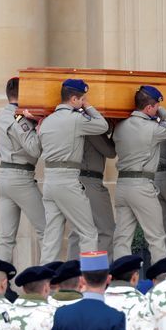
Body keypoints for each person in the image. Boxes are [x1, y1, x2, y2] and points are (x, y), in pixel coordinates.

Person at [38, 79, 109, 262]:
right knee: (88, 233)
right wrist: (88, 107)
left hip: (50, 181)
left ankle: (44, 284)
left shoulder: (47, 122)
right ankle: (89, 281)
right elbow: (102, 125)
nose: (84, 101)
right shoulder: (76, 119)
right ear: (75, 99)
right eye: (82, 98)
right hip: (67, 180)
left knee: (51, 237)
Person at [112, 85, 166, 262]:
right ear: (149, 107)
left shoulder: (120, 127)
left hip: (122, 186)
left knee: (122, 239)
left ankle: (122, 280)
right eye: (155, 106)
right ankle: (161, 280)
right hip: (142, 186)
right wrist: (161, 109)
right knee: (156, 238)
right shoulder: (150, 128)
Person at [0, 77, 46, 262]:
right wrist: (40, 125)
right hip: (20, 178)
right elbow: (33, 148)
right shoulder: (18, 118)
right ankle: (49, 281)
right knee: (47, 231)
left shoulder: (2, 114)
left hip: (4, 176)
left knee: (6, 238)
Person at [67, 133, 116, 259]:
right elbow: (110, 152)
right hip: (90, 180)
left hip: (74, 180)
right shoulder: (91, 127)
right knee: (105, 230)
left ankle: (73, 275)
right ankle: (102, 273)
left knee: (77, 232)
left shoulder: (75, 122)